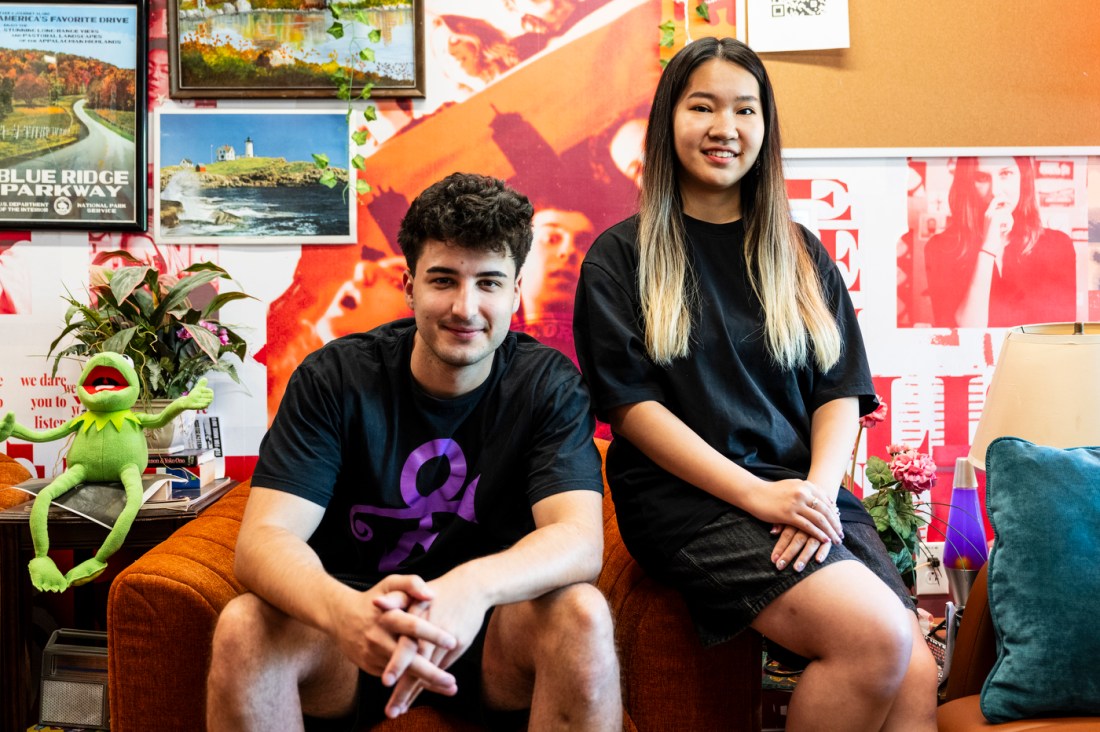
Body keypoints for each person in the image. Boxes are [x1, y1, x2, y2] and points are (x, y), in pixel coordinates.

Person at [573, 37, 938, 731]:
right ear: (667, 121)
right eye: (702, 106)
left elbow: (839, 391)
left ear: (765, 128)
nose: (725, 127)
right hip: (690, 499)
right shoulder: (621, 256)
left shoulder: (798, 252)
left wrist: (818, 493)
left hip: (802, 489)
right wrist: (757, 495)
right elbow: (632, 409)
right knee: (875, 639)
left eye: (745, 109)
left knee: (916, 670)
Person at [206, 172, 620, 730]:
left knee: (583, 614)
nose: (465, 307)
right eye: (443, 280)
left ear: (516, 291)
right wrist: (343, 612)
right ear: (409, 286)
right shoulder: (335, 379)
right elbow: (262, 541)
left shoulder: (546, 384)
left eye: (490, 283)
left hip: (490, 629)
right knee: (244, 626)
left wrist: (469, 588)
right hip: (354, 633)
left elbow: (579, 541)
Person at [923, 156, 1076, 328]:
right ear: (967, 185)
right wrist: (988, 246)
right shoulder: (941, 248)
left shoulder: (1058, 245)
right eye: (982, 178)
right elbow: (964, 334)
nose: (995, 191)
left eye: (1005, 173)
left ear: (1022, 179)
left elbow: (1062, 333)